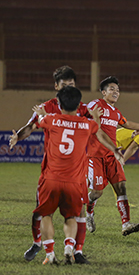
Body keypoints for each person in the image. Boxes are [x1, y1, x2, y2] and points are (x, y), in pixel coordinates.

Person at [9, 66, 92, 264]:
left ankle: (76, 252)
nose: (67, 89)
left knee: (78, 209)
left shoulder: (81, 107)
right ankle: (38, 242)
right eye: (64, 85)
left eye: (71, 85)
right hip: (53, 167)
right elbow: (30, 126)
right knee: (41, 209)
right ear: (56, 86)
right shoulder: (48, 106)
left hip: (77, 168)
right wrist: (18, 137)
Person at [32, 86, 123, 264]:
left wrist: (42, 112)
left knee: (46, 215)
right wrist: (95, 115)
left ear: (60, 103)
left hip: (51, 179)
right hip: (74, 181)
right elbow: (98, 129)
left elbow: (41, 120)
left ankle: (50, 254)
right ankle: (69, 247)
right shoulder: (87, 124)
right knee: (72, 216)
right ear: (78, 104)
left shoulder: (53, 119)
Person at [85, 76, 139, 236]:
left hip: (112, 155)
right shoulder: (95, 104)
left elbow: (126, 123)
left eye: (117, 90)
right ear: (103, 92)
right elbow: (84, 113)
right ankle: (88, 212)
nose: (116, 92)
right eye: (112, 89)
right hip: (95, 155)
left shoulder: (115, 112)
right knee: (97, 192)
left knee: (121, 186)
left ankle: (126, 224)